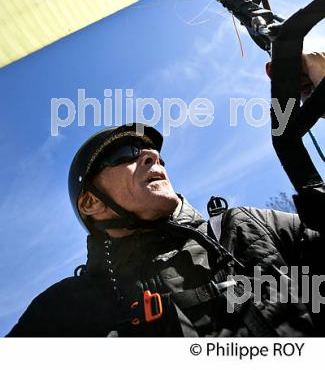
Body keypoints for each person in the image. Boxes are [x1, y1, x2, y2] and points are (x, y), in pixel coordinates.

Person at [7, 53, 325, 337]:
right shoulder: (67, 309)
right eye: (126, 153)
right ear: (91, 202)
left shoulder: (247, 229)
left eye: (153, 153)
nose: (151, 156)